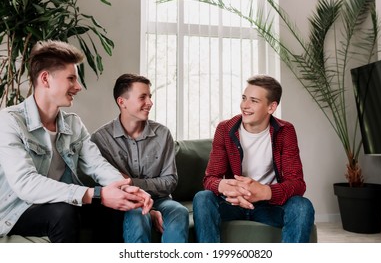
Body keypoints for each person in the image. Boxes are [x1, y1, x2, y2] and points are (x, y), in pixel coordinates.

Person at [0, 40, 153, 243]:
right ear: (45, 79)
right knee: (63, 213)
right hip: (18, 210)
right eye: (71, 78)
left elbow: (97, 165)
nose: (78, 87)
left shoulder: (73, 124)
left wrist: (126, 189)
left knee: (117, 206)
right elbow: (25, 184)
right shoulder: (9, 121)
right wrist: (95, 194)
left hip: (61, 201)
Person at [193, 74, 315, 243]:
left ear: (271, 107)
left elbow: (297, 184)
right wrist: (228, 187)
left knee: (302, 206)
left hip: (269, 205)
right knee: (202, 198)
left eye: (254, 101)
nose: (245, 105)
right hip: (233, 203)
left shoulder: (285, 131)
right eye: (244, 98)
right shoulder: (225, 129)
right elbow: (210, 179)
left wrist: (265, 192)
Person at [91, 73, 189, 243]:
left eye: (149, 97)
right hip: (126, 203)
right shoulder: (102, 139)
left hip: (161, 201)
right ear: (122, 102)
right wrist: (140, 197)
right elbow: (111, 185)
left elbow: (170, 181)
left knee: (179, 211)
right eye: (143, 97)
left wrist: (130, 182)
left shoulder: (162, 134)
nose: (150, 103)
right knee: (137, 214)